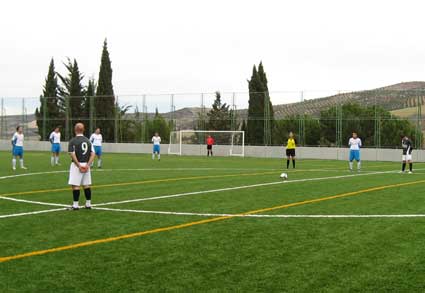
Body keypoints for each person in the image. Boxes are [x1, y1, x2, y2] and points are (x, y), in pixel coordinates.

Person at [68, 123, 95, 210]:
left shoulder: (73, 141)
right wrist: (88, 165)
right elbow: (93, 154)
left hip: (77, 165)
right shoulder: (88, 140)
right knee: (86, 184)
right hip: (86, 164)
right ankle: (88, 204)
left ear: (75, 129)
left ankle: (75, 205)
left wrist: (78, 165)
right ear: (83, 130)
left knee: (75, 185)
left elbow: (72, 154)